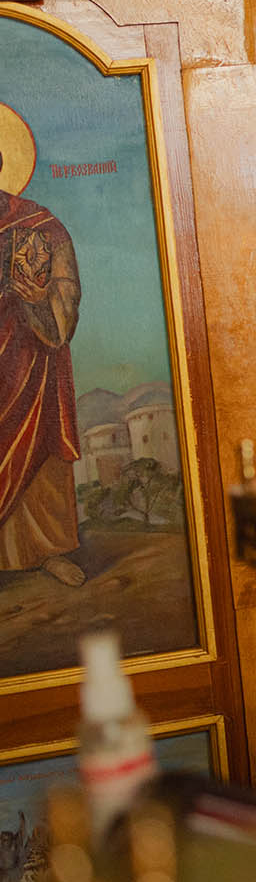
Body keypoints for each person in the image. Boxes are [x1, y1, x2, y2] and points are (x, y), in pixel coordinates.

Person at [0, 145, 86, 587]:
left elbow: (67, 289)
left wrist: (38, 301)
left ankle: (49, 550)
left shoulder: (38, 224)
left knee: (38, 448)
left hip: (30, 358)